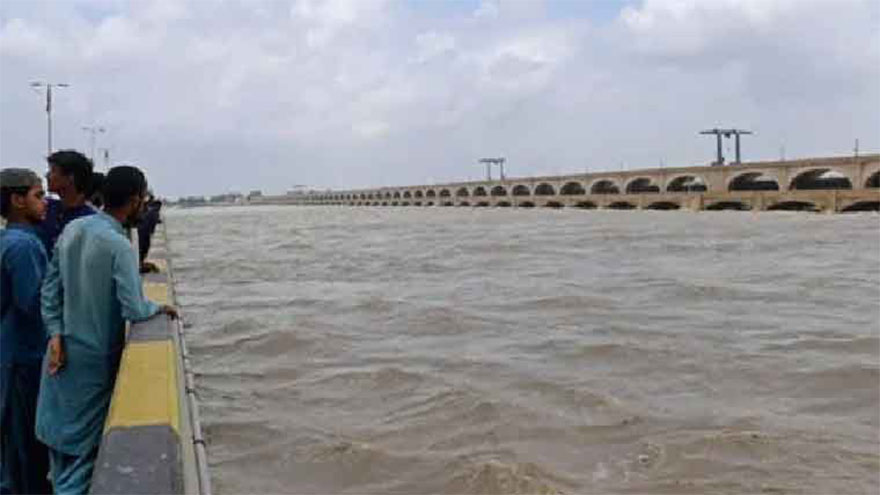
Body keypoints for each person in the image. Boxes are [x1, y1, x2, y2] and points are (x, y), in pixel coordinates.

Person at [35, 166, 178, 495]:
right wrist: (157, 307)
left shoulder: (74, 229)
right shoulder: (118, 245)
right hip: (92, 366)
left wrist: (55, 333)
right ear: (133, 201)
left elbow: (49, 290)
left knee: (59, 460)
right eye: (142, 199)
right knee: (82, 467)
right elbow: (133, 308)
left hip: (59, 358)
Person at [0, 168, 52, 494]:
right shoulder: (22, 247)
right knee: (26, 449)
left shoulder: (10, 241)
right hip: (24, 357)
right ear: (18, 200)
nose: (45, 202)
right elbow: (34, 305)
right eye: (38, 195)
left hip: (11, 354)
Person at [39, 150, 96, 254]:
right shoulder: (45, 208)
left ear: (70, 177)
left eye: (53, 171)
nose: (47, 176)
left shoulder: (90, 221)